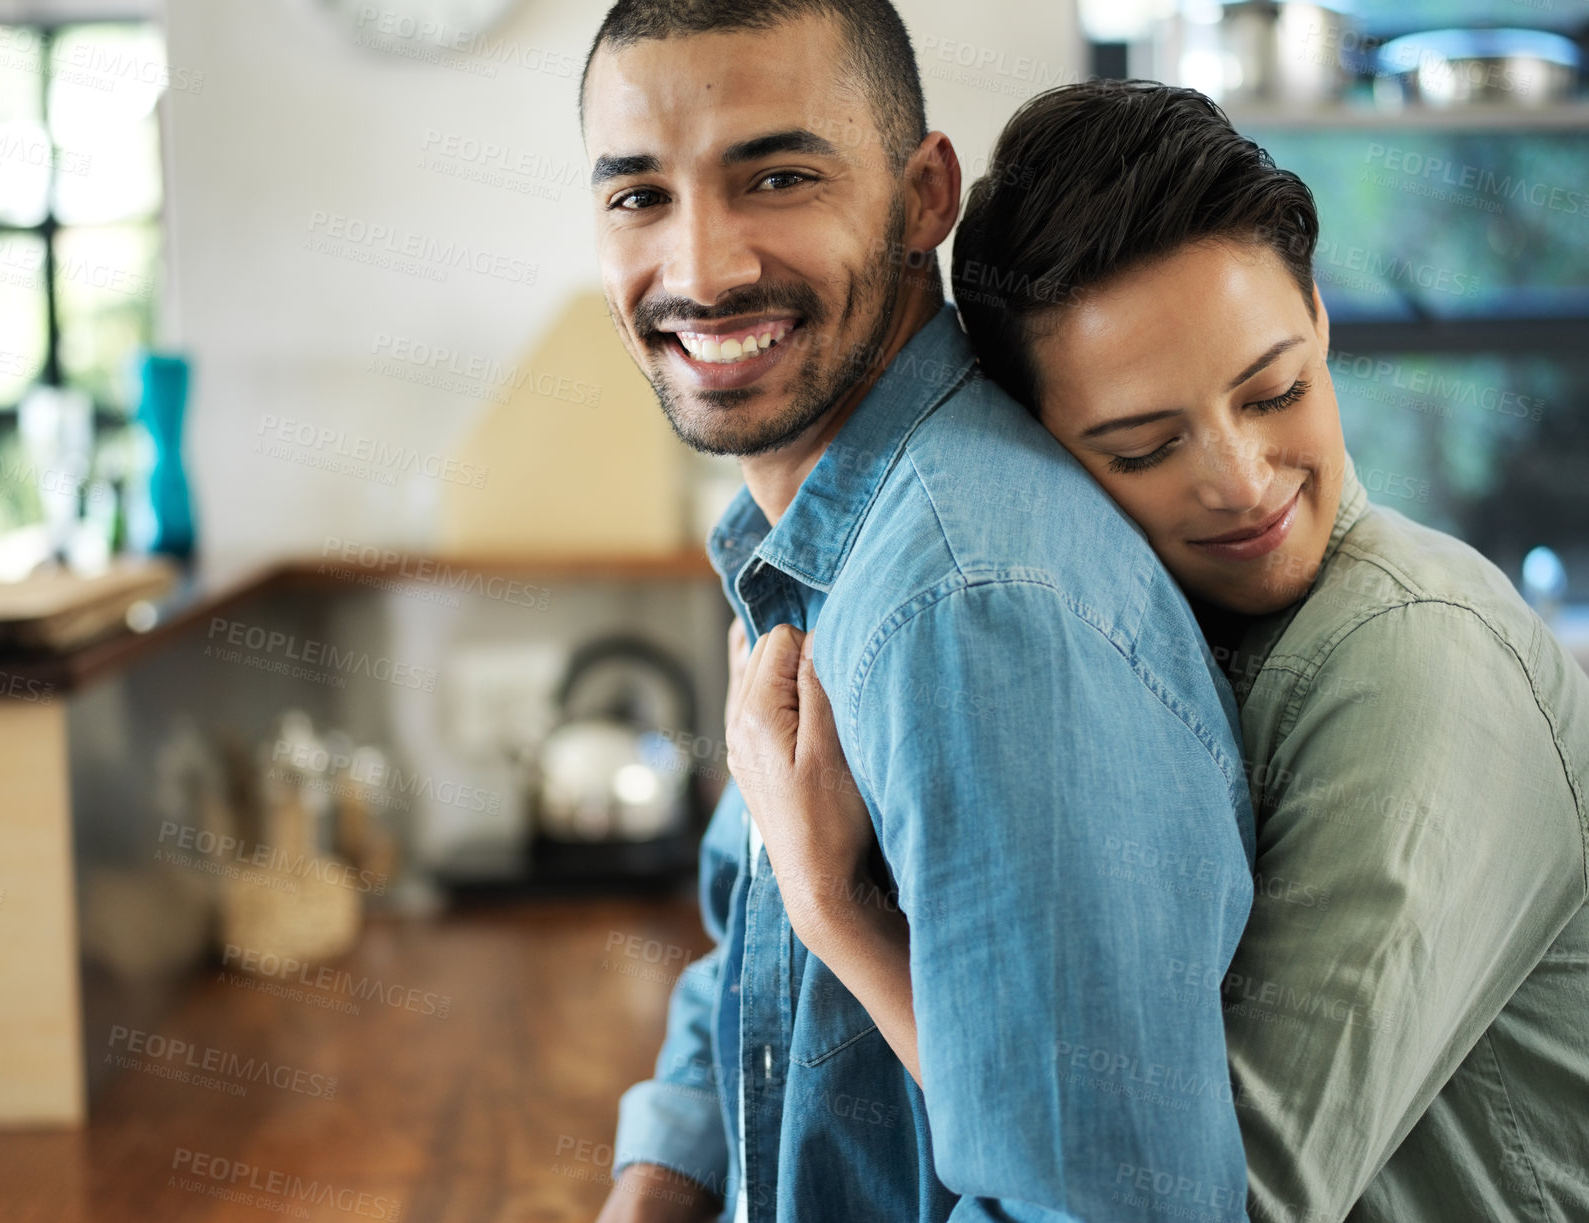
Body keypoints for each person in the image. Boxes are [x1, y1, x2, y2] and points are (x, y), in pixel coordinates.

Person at [727, 80, 1589, 1223]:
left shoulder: (1412, 662)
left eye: (1274, 389)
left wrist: (838, 911)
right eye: (1142, 446)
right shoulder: (1121, 629)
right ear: (1035, 449)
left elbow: (1200, 1201)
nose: (1239, 480)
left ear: (1320, 320)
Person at [580, 5, 1260, 1222]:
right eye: (639, 198)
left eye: (777, 176)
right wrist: (649, 1193)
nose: (698, 272)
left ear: (925, 195)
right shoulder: (810, 547)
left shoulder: (966, 607)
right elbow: (752, 948)